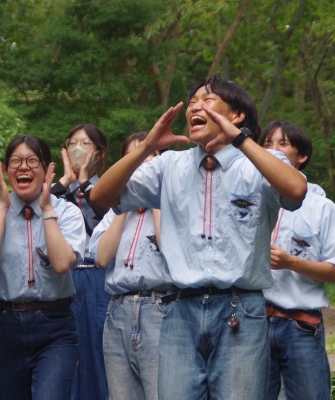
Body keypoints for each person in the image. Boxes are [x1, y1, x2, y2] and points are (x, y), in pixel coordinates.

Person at [88, 76, 308, 399]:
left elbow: (296, 190)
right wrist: (147, 147)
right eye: (192, 102)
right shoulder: (168, 165)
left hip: (240, 309)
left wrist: (241, 140)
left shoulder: (259, 164)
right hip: (179, 310)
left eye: (207, 100)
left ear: (236, 115)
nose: (195, 107)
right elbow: (101, 196)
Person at [0, 135, 86, 400]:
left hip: (55, 325)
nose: (23, 167)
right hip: (5, 325)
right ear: (4, 169)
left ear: (47, 169)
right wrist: (2, 206)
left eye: (32, 160)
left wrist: (46, 209)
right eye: (16, 161)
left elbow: (61, 263)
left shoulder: (66, 212)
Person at [258, 121, 335, 400]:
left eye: (282, 144)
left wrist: (290, 262)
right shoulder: (250, 198)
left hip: (301, 326)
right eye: (266, 144)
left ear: (302, 156)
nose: (273, 150)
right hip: (252, 324)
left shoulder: (322, 208)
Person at [88, 132, 168, 400]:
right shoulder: (114, 212)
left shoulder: (171, 205)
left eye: (149, 157)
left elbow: (170, 250)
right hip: (118, 311)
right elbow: (101, 258)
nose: (142, 165)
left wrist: (157, 195)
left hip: (160, 309)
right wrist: (123, 204)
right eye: (133, 159)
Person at [52, 123, 111, 400]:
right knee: (65, 350)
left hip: (98, 276)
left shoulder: (109, 187)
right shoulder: (56, 191)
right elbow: (40, 212)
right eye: (72, 142)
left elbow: (100, 220)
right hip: (65, 276)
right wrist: (64, 181)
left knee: (98, 350)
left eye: (85, 143)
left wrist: (86, 183)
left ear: (99, 152)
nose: (77, 149)